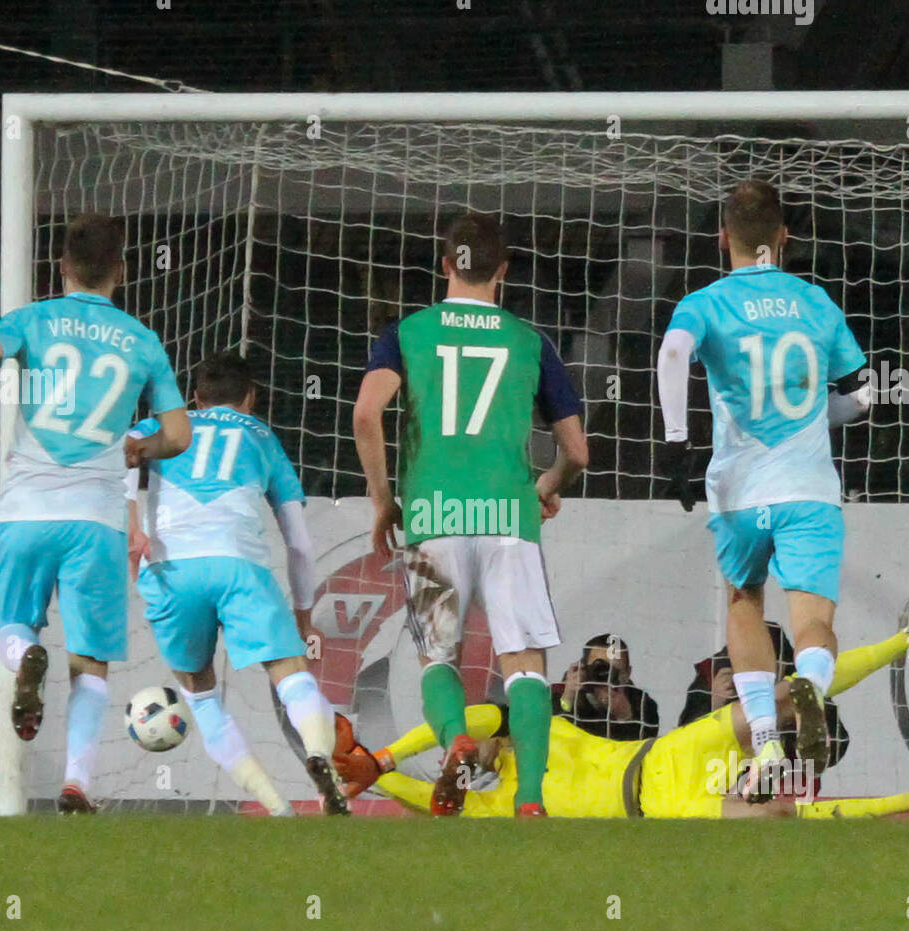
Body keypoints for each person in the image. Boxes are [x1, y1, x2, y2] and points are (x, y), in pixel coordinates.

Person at [0, 213, 190, 813]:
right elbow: (178, 434)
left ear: (61, 268)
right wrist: (139, 447)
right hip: (96, 519)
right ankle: (75, 784)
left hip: (27, 511)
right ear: (120, 272)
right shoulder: (142, 340)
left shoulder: (32, 320)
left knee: (11, 629)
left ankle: (25, 659)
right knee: (90, 659)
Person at [335, 576, 909, 821]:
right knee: (775, 818)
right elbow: (412, 795)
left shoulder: (535, 728)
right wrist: (374, 772)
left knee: (777, 697)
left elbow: (478, 719)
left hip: (666, 755)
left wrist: (386, 756)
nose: (477, 756)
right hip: (658, 804)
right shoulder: (480, 812)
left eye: (467, 753)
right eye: (466, 763)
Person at [353, 210, 588, 816]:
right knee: (525, 665)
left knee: (438, 655)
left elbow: (365, 413)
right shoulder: (529, 341)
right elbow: (579, 451)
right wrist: (549, 484)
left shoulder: (406, 333)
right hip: (510, 517)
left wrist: (385, 502)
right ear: (502, 271)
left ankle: (457, 738)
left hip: (432, 517)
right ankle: (530, 801)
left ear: (443, 265)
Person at [657, 178, 874, 800]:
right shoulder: (815, 301)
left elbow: (673, 356)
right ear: (783, 238)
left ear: (722, 237)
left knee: (743, 604)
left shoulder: (705, 301)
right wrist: (814, 414)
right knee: (812, 623)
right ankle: (809, 683)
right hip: (807, 487)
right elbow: (860, 395)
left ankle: (767, 748)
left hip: (739, 492)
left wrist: (677, 443)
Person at [126, 350, 347, 816]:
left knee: (200, 696)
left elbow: (116, 454)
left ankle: (277, 807)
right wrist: (304, 616)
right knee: (291, 676)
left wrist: (131, 523)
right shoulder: (263, 436)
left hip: (171, 570)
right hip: (239, 566)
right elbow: (300, 543)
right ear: (251, 397)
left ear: (195, 398)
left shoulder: (160, 427)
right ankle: (320, 758)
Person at [678, 620, 849, 770]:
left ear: (780, 662)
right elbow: (685, 747)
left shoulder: (801, 681)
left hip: (787, 780)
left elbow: (836, 746)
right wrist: (715, 703)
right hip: (724, 777)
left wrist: (794, 719)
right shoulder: (715, 677)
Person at [553, 633, 660, 741]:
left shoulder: (642, 703)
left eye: (614, 670)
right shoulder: (557, 693)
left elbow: (647, 746)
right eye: (600, 668)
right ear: (584, 668)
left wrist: (626, 717)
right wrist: (568, 698)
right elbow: (552, 736)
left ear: (627, 673)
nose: (606, 676)